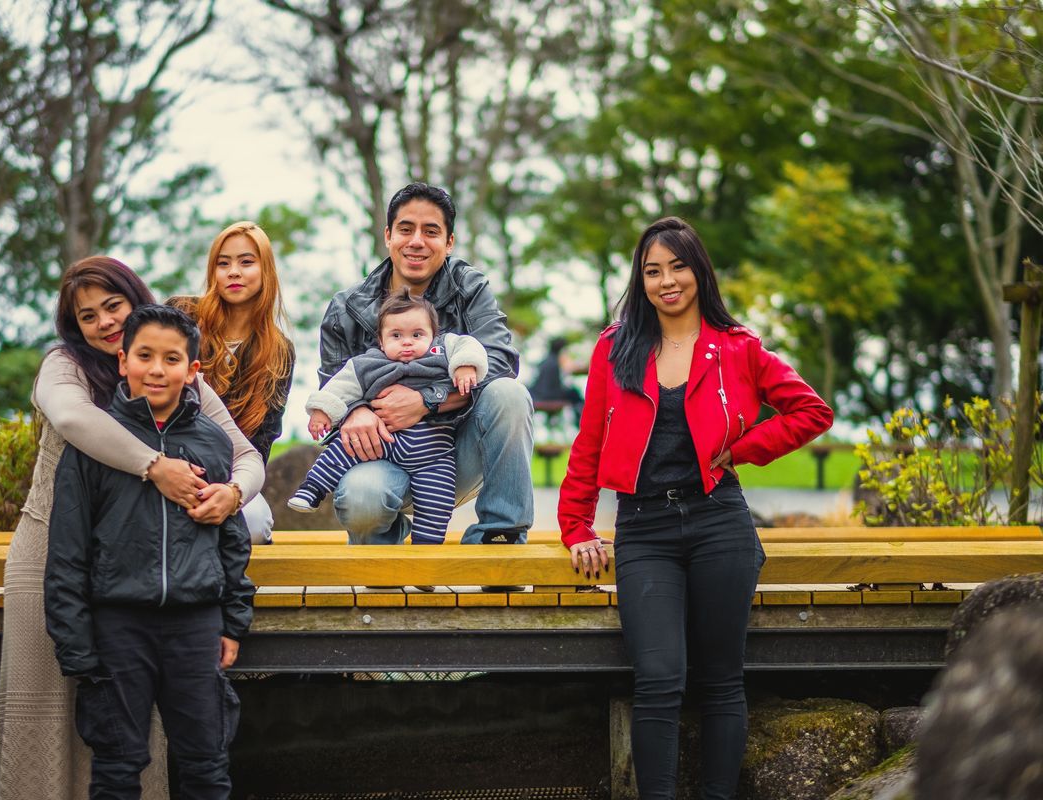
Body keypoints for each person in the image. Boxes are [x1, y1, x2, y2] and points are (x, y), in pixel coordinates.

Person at [557, 217, 832, 800]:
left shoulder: (737, 347)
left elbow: (812, 412)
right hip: (644, 527)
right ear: (641, 280)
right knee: (659, 678)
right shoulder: (615, 347)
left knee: (721, 681)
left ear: (699, 271)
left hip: (718, 522)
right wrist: (576, 526)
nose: (667, 281)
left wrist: (744, 448)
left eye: (678, 266)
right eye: (652, 271)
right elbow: (590, 440)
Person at [0, 257, 265, 800]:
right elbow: (73, 419)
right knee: (49, 707)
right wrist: (156, 466)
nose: (104, 321)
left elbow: (244, 458)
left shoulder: (184, 386)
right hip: (59, 548)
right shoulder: (64, 365)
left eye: (113, 305)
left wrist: (231, 494)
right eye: (88, 315)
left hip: (160, 583)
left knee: (159, 742)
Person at [46, 304, 253, 800]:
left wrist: (232, 621)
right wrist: (77, 646)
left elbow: (232, 539)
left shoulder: (210, 442)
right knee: (117, 769)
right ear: (123, 361)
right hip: (118, 626)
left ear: (192, 370)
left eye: (171, 359)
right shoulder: (97, 443)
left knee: (206, 766)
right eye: (144, 356)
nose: (157, 370)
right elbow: (68, 549)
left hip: (195, 624)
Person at [318, 182, 533, 545]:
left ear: (449, 242)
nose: (416, 241)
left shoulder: (470, 288)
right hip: (382, 452)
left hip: (455, 450)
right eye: (406, 229)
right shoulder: (346, 308)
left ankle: (500, 533)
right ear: (388, 236)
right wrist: (355, 411)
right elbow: (330, 386)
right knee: (362, 502)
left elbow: (500, 361)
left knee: (509, 395)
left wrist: (427, 400)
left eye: (431, 231)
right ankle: (385, 545)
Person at [290, 289, 487, 543]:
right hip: (382, 442)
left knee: (438, 501)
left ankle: (427, 550)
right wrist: (321, 410)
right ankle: (313, 488)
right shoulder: (369, 363)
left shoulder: (441, 352)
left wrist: (466, 365)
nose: (407, 342)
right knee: (343, 448)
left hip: (433, 453)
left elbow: (467, 344)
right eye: (396, 335)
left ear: (433, 336)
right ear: (381, 342)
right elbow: (340, 386)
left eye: (417, 335)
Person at [169, 220, 295, 545]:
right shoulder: (180, 314)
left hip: (229, 472)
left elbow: (262, 440)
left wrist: (229, 488)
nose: (234, 272)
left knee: (255, 524)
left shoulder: (279, 351)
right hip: (165, 458)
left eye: (246, 262)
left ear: (266, 270)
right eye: (223, 263)